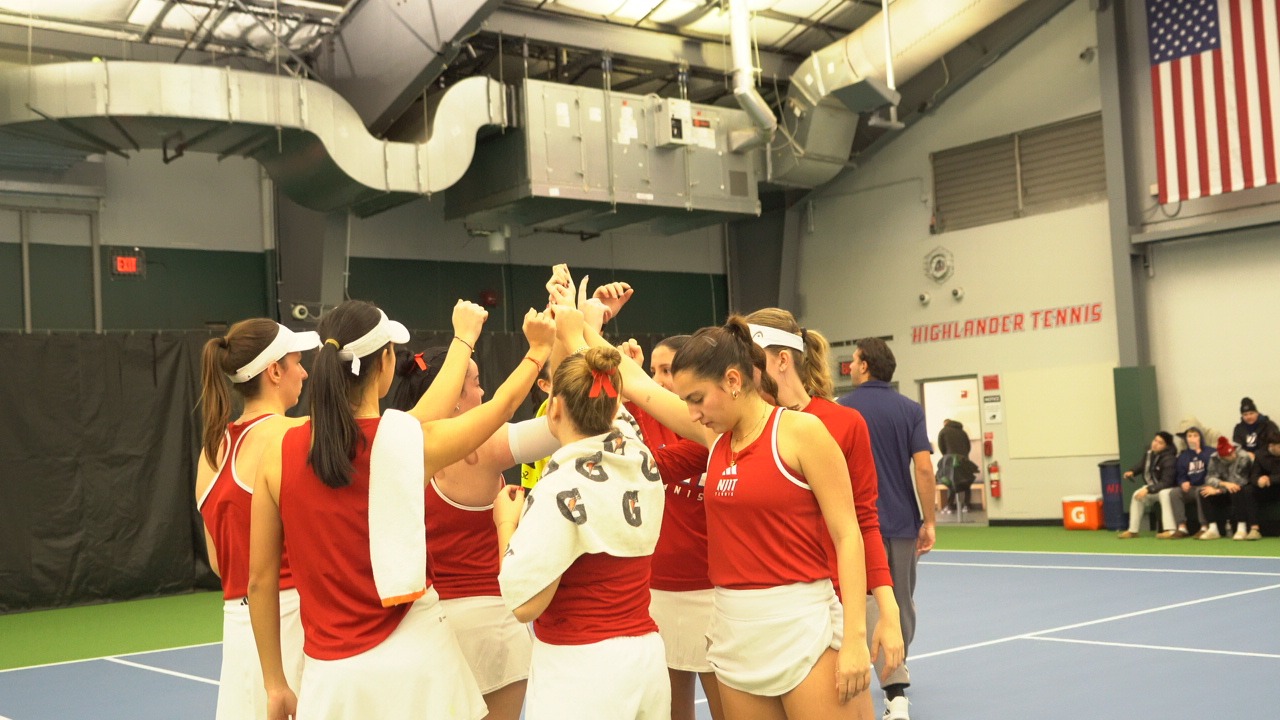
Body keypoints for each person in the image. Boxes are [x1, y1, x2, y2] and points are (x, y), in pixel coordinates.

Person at [247, 299, 555, 720]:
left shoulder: (278, 453)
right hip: (418, 662)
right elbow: (498, 407)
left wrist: (275, 683)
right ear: (385, 362)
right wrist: (535, 351)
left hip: (333, 677)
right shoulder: (405, 440)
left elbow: (261, 581)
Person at [578, 311, 871, 719]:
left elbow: (848, 535)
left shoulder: (802, 434)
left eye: (697, 399)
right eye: (686, 403)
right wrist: (581, 323)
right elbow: (640, 384)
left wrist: (856, 636)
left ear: (733, 381)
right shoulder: (716, 439)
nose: (692, 414)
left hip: (804, 629)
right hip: (734, 631)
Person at [387, 346, 564, 720]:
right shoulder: (483, 448)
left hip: (429, 627)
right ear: (451, 396)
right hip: (491, 629)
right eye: (476, 384)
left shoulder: (393, 448)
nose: (482, 393)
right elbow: (563, 424)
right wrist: (563, 339)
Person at [495, 345, 670, 720]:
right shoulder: (640, 457)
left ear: (554, 407)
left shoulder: (559, 489)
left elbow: (525, 603)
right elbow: (614, 413)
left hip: (581, 670)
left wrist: (506, 522)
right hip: (647, 660)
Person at [745, 308, 903, 720]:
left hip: (831, 609)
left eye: (751, 355)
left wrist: (888, 610)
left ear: (783, 360)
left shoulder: (844, 423)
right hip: (761, 619)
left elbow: (864, 522)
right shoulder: (739, 427)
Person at [196, 319, 318, 720]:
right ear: (274, 371)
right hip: (292, 626)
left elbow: (220, 563)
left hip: (240, 633)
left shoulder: (211, 449)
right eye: (298, 362)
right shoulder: (294, 433)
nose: (304, 372)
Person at [837, 337, 933, 720]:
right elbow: (924, 468)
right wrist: (930, 519)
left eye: (854, 360)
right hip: (900, 523)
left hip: (855, 526)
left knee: (859, 602)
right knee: (900, 602)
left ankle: (876, 672)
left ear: (864, 366)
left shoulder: (841, 409)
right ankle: (897, 671)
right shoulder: (909, 409)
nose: (850, 366)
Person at [1117, 432, 1178, 538]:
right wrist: (1132, 471)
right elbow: (1142, 465)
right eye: (1155, 440)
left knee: (1164, 494)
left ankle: (1170, 530)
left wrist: (1148, 489)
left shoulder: (1170, 459)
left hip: (1168, 489)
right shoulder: (1150, 454)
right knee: (1136, 495)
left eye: (1160, 443)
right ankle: (1133, 531)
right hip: (1153, 489)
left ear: (1166, 446)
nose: (1155, 444)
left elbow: (1167, 482)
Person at [1198, 436, 1252, 540]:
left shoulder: (1243, 457)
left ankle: (1242, 528)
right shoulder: (1214, 458)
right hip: (1223, 489)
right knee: (1204, 491)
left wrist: (1219, 490)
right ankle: (1213, 529)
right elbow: (1209, 477)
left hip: (1239, 489)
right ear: (1222, 457)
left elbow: (1241, 480)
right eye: (1229, 455)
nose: (1233, 455)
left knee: (1236, 490)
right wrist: (1223, 485)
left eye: (1232, 452)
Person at [1237, 430, 1280, 540]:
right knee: (1248, 490)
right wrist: (1258, 480)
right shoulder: (1260, 455)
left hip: (1277, 485)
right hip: (1267, 489)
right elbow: (1253, 475)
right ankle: (1254, 529)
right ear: (1272, 446)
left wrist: (1271, 479)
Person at [1171, 427, 1214, 539]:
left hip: (1206, 485)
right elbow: (1180, 474)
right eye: (1189, 436)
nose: (1192, 439)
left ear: (1200, 437)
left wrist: (1199, 453)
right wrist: (1183, 482)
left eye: (1195, 436)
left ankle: (1204, 527)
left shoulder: (1210, 452)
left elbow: (1213, 469)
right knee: (1175, 492)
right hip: (1191, 487)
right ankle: (1182, 527)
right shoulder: (1183, 456)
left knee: (1200, 491)